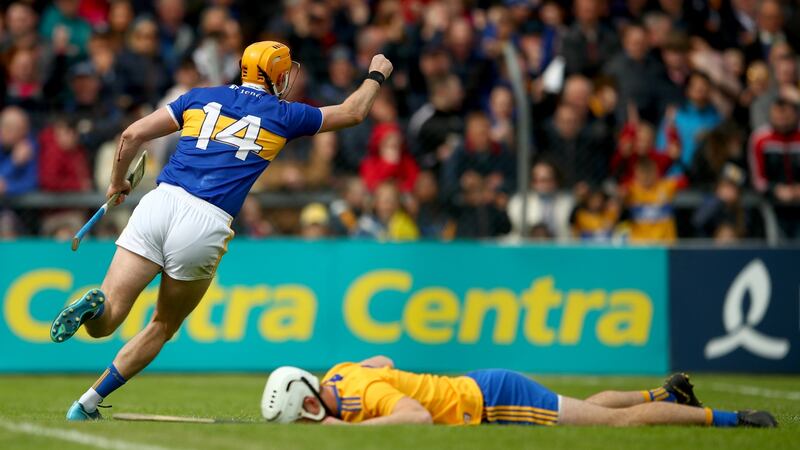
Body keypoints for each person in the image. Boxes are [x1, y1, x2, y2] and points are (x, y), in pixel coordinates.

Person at [49, 41, 394, 420]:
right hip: (206, 221)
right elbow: (353, 111)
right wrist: (376, 74)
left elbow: (132, 135)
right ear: (277, 75)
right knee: (163, 325)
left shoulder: (199, 96)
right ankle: (87, 403)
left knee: (107, 321)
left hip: (160, 202)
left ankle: (95, 306)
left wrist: (117, 183)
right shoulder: (285, 114)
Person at [260, 356, 776, 428]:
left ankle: (731, 419)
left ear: (310, 404)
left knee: (609, 425)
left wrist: (341, 430)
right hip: (483, 389)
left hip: (489, 398)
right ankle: (663, 397)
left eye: (305, 421)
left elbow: (415, 417)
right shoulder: (338, 375)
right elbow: (385, 362)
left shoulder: (358, 393)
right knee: (584, 411)